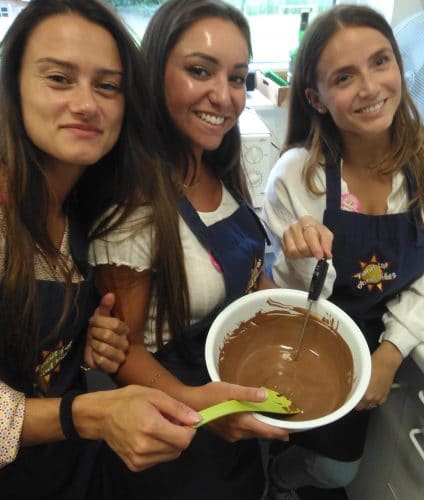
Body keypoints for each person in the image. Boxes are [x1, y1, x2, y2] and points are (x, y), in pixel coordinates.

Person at [0, 1, 203, 497]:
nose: (87, 104)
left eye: (107, 86)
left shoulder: (85, 209)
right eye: (59, 78)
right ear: (13, 86)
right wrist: (86, 415)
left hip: (69, 473)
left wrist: (91, 344)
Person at [261, 4, 424, 499]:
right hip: (314, 337)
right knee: (295, 443)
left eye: (380, 62)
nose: (371, 87)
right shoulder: (297, 177)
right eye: (345, 77)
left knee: (342, 472)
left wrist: (389, 355)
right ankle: (279, 476)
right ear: (316, 98)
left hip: (391, 337)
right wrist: (301, 257)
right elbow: (293, 299)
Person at [89, 0, 290, 498]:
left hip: (231, 395)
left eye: (237, 77)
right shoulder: (134, 203)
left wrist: (286, 311)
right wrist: (200, 404)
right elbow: (125, 352)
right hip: (172, 423)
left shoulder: (218, 168)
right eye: (200, 71)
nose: (224, 95)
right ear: (155, 74)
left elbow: (248, 276)